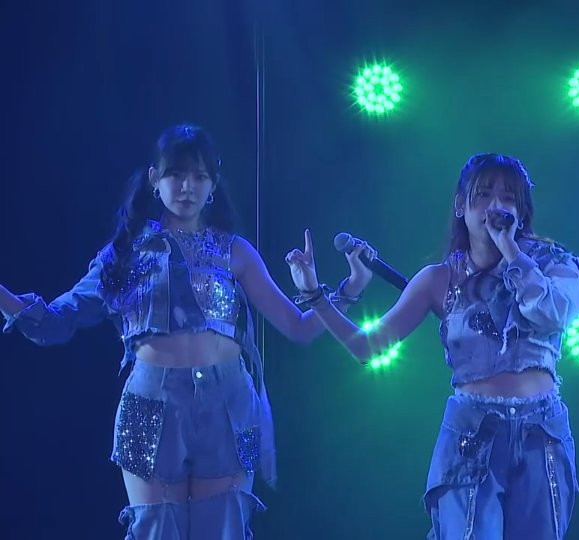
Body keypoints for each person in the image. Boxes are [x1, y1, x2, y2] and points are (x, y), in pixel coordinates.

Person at [0, 123, 376, 539]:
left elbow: (298, 327)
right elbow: (56, 321)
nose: (187, 187)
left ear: (213, 183)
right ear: (154, 179)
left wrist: (349, 288)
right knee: (155, 529)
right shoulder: (123, 253)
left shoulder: (234, 250)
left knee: (225, 528)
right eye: (176, 174)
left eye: (199, 176)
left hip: (231, 405)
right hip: (150, 404)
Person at [285, 153, 579, 539]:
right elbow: (367, 347)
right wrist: (315, 296)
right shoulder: (438, 279)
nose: (495, 206)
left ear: (521, 211)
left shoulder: (556, 264)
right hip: (471, 433)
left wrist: (512, 252)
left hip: (541, 432)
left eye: (508, 198)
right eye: (483, 195)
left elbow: (554, 313)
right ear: (461, 205)